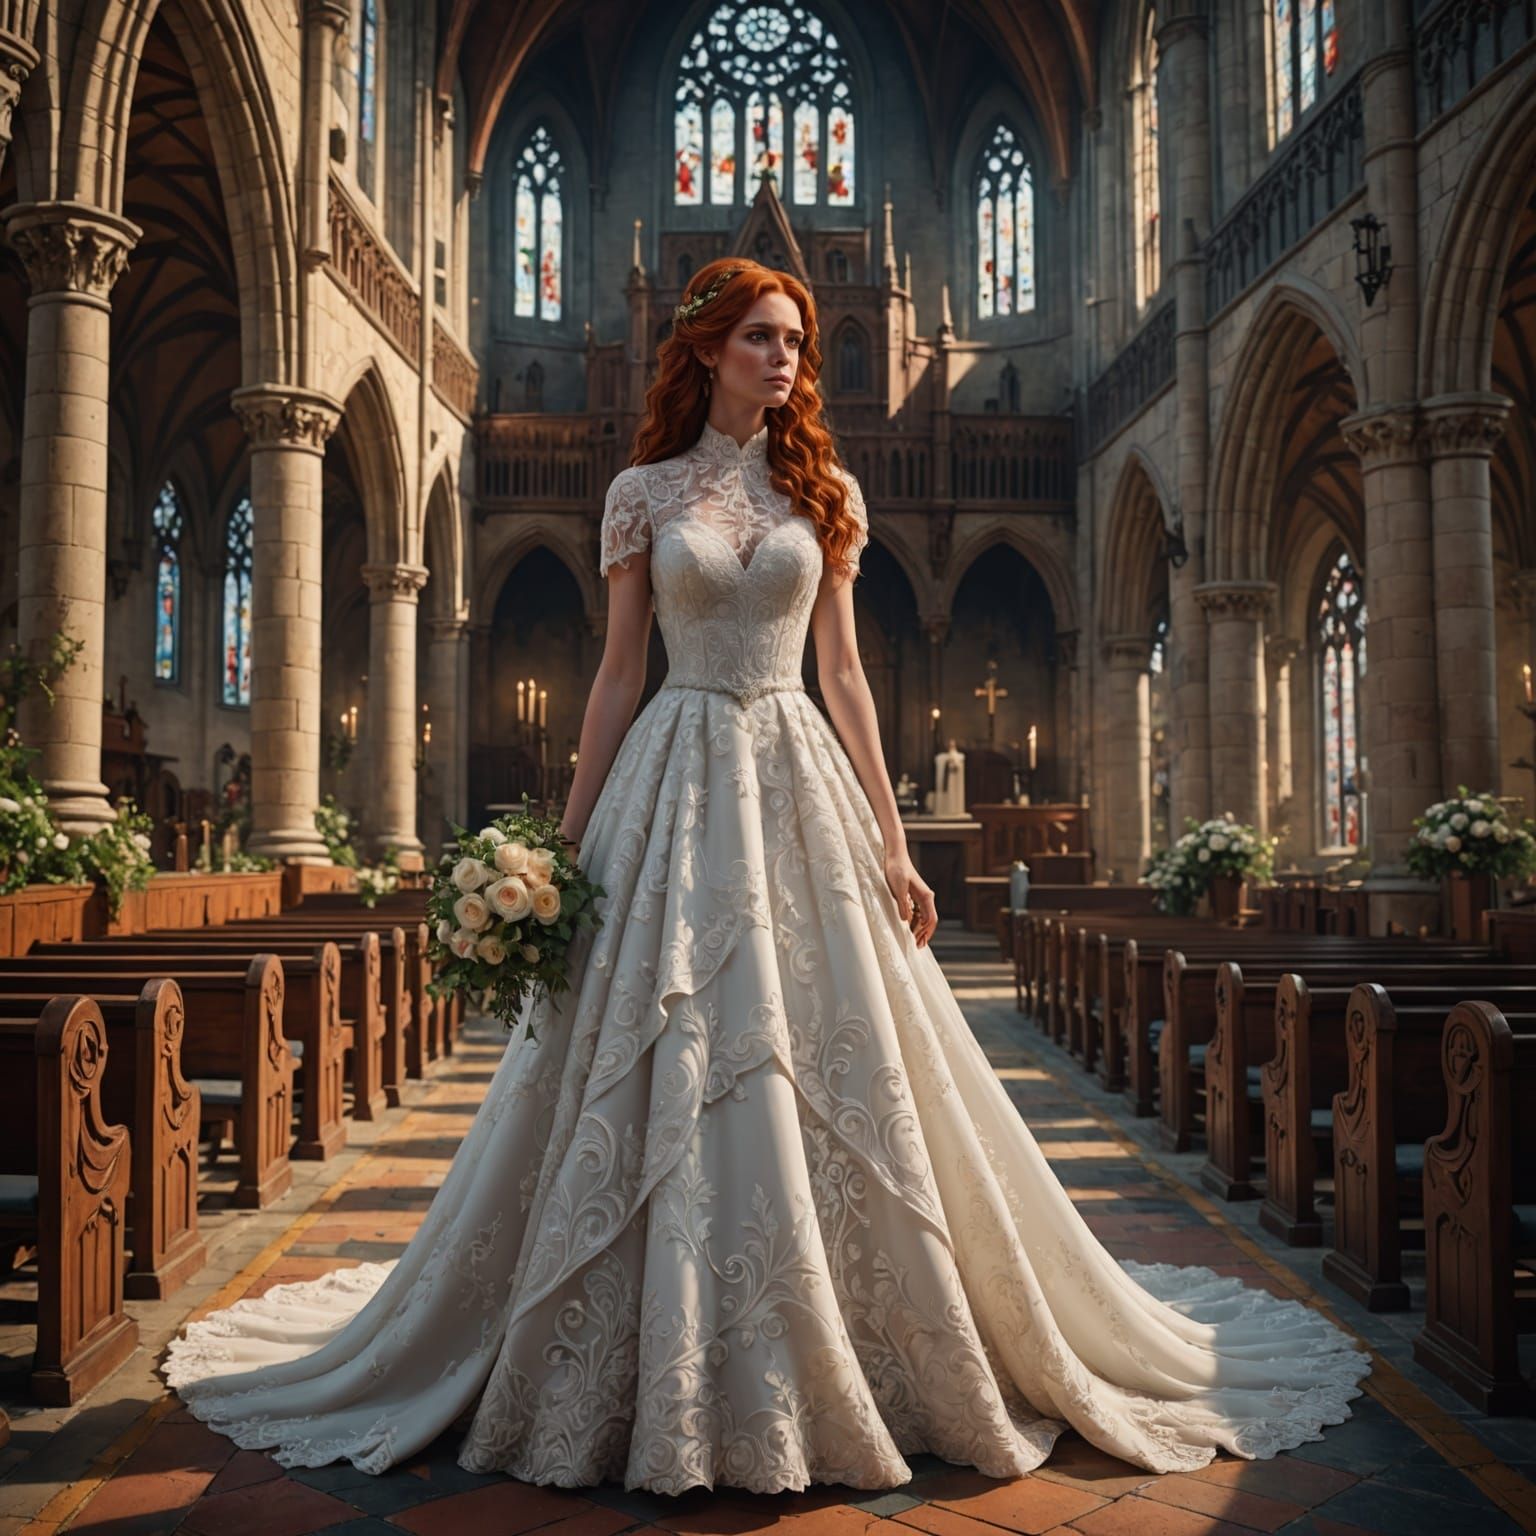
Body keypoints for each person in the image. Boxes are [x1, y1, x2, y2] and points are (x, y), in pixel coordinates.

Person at [162, 257, 1368, 1494]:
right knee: (664, 1036)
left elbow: (842, 675)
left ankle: (856, 1330)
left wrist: (895, 843)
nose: (787, 357)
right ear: (703, 350)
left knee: (837, 1041)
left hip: (797, 777)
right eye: (759, 337)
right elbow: (619, 678)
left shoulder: (825, 489)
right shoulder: (640, 494)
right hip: (672, 773)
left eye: (794, 337)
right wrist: (568, 851)